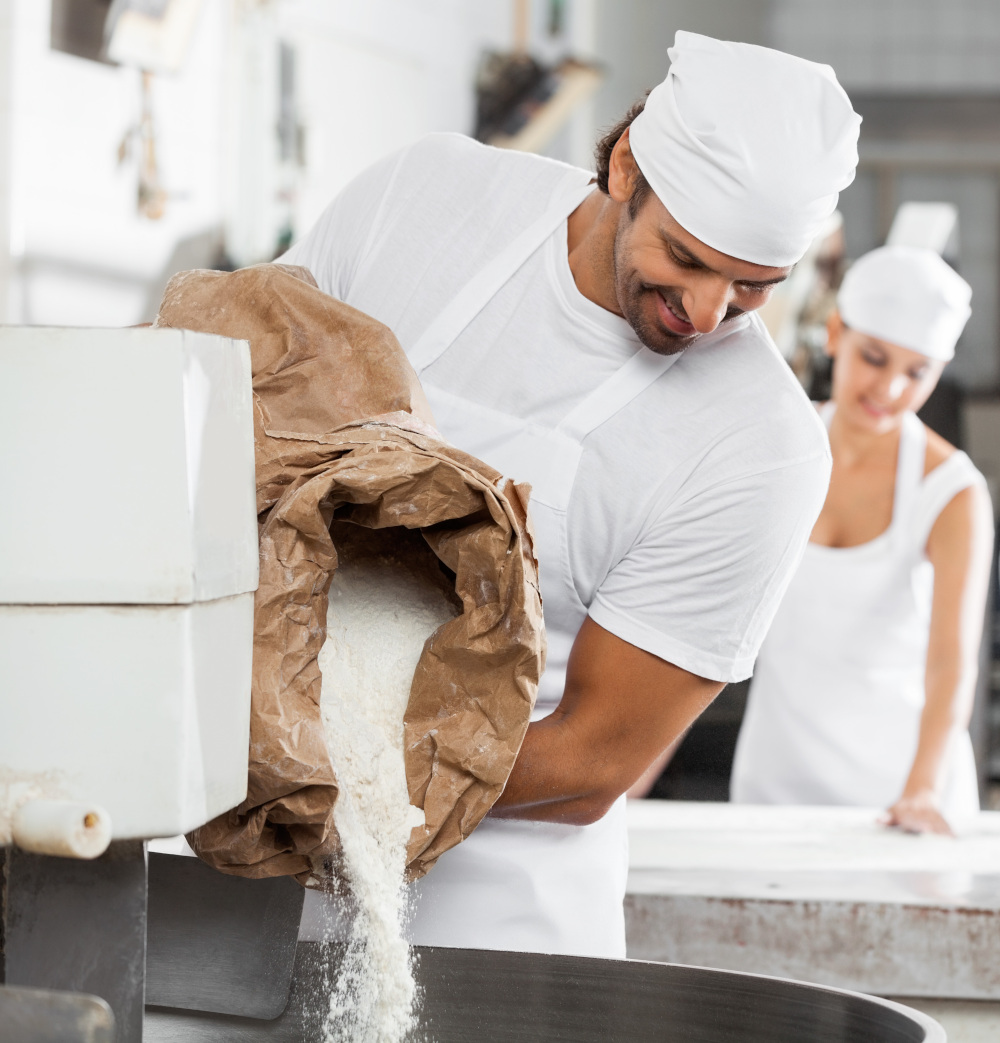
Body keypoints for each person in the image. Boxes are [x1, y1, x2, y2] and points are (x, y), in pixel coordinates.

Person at [285, 30, 861, 958]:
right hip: (238, 868)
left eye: (753, 288)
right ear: (626, 163)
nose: (708, 313)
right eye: (687, 256)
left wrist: (328, 775)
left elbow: (595, 757)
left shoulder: (762, 446)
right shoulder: (425, 202)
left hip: (496, 913)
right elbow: (241, 403)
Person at [731, 245, 994, 835]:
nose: (892, 389)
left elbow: (951, 665)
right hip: (774, 784)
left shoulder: (951, 492)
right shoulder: (776, 447)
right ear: (834, 334)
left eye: (917, 372)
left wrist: (921, 791)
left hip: (901, 793)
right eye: (874, 358)